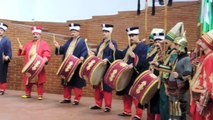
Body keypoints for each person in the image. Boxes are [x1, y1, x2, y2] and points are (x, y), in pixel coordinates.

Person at [110, 26, 149, 120]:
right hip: (127, 74)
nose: (131, 38)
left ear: (137, 35)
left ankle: (138, 115)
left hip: (136, 74)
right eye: (130, 36)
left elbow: (145, 60)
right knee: (126, 93)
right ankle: (127, 111)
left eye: (133, 35)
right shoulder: (130, 46)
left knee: (136, 94)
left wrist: (135, 57)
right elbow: (122, 55)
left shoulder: (143, 46)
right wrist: (114, 50)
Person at [151, 22, 184, 120]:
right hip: (163, 82)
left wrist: (158, 65)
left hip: (168, 84)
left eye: (167, 41)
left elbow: (171, 69)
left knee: (166, 108)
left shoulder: (174, 53)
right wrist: (158, 65)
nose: (164, 42)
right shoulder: (169, 52)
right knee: (163, 106)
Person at [54, 23, 88, 105]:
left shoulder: (82, 41)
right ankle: (66, 98)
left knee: (77, 83)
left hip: (77, 65)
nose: (72, 33)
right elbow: (63, 50)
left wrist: (82, 57)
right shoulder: (68, 41)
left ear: (78, 32)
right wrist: (58, 47)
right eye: (71, 32)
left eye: (74, 31)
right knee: (66, 83)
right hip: (67, 65)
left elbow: (85, 51)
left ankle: (77, 99)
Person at [89, 24, 117, 112]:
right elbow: (98, 53)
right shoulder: (101, 43)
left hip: (107, 67)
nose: (104, 33)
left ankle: (108, 106)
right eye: (103, 31)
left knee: (106, 87)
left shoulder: (113, 43)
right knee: (97, 86)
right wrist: (93, 53)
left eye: (106, 32)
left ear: (110, 33)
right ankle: (98, 104)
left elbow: (114, 55)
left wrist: (107, 59)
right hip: (99, 67)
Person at [18, 26, 51, 100]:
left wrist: (45, 58)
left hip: (38, 65)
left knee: (39, 81)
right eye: (34, 34)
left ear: (40, 35)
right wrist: (21, 49)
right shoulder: (29, 43)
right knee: (28, 81)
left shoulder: (43, 43)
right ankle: (27, 94)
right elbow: (23, 52)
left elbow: (46, 52)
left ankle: (40, 95)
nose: (35, 35)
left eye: (37, 34)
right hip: (29, 65)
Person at [166, 33, 192, 120]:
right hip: (173, 89)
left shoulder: (186, 59)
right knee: (173, 112)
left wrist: (179, 76)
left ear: (182, 46)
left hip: (180, 91)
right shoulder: (177, 57)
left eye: (177, 45)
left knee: (180, 113)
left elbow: (188, 73)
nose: (175, 47)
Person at [191, 29, 213, 120]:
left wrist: (202, 104)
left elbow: (209, 83)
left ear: (208, 43)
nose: (198, 43)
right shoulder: (205, 57)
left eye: (202, 41)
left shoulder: (210, 58)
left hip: (204, 102)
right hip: (199, 99)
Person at [0, 23, 12, 95]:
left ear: (4, 31)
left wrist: (8, 56)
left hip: (2, 60)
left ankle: (2, 89)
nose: (0, 31)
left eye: (1, 30)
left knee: (2, 74)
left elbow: (9, 50)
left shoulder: (6, 40)